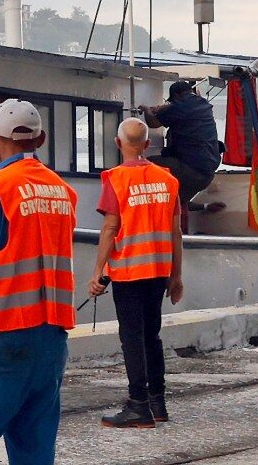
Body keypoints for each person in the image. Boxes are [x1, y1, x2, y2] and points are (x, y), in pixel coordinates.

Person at [0, 100, 77, 465]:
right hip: (51, 337)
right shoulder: (63, 191)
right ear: (41, 138)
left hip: (1, 335)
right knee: (35, 446)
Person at [89, 117, 185, 428]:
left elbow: (110, 229)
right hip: (158, 270)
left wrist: (97, 271)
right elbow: (176, 233)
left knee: (131, 337)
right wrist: (176, 276)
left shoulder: (115, 179)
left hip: (129, 271)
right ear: (147, 145)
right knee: (151, 335)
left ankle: (137, 404)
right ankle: (158, 402)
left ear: (118, 144)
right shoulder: (168, 180)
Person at [143, 80, 221, 207]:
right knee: (176, 203)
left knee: (145, 163)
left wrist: (147, 109)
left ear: (177, 95)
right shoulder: (204, 104)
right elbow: (175, 107)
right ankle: (203, 206)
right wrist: (205, 206)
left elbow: (153, 123)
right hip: (207, 175)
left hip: (190, 169)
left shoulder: (179, 107)